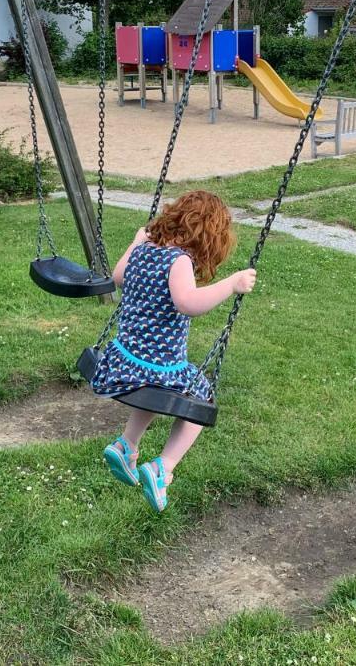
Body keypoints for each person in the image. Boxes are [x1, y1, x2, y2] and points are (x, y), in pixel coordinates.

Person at [85, 190, 256, 512]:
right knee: (200, 400)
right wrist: (230, 284)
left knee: (151, 392)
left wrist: (136, 242)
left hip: (123, 358)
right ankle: (163, 467)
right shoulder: (179, 260)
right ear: (208, 234)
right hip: (157, 363)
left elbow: (118, 277)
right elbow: (188, 303)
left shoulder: (145, 249)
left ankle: (127, 446)